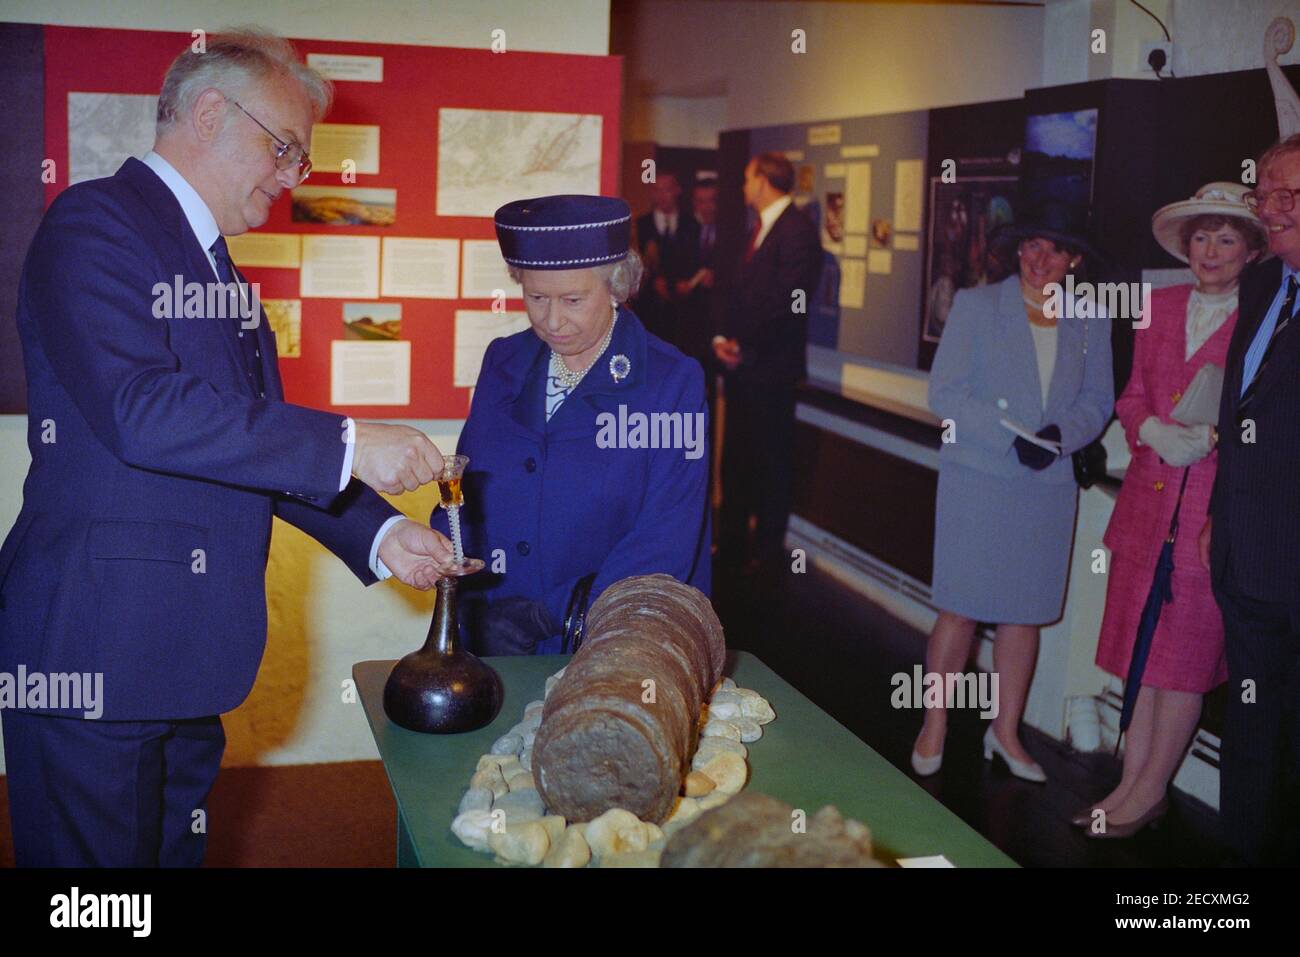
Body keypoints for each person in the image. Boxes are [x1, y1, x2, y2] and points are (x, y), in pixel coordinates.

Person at [0, 30, 456, 867]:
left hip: (186, 655)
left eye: (300, 162)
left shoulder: (227, 281)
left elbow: (258, 454)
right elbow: (142, 409)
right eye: (284, 149)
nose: (291, 178)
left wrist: (385, 536)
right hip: (98, 649)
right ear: (209, 113)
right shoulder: (94, 223)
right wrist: (353, 442)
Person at [433, 194, 710, 655]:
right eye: (536, 297)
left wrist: (548, 615)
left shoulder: (670, 380)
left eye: (573, 300)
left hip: (605, 638)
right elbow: (469, 489)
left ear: (617, 285)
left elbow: (666, 537)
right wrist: (461, 582)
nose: (552, 320)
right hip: (493, 634)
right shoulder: (504, 361)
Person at [1085, 184, 1264, 839]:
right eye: (1201, 238)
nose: (1210, 251)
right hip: (1144, 508)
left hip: (1208, 519)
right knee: (1143, 654)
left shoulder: (1262, 318)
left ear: (1249, 250)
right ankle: (1129, 785)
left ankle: (1148, 791)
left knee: (1184, 661)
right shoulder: (1155, 307)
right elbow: (1129, 396)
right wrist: (1150, 429)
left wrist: (1216, 437)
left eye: (1226, 239)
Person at [914, 210, 1114, 782]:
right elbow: (944, 392)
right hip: (979, 475)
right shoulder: (977, 306)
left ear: (1074, 261)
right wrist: (1009, 437)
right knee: (959, 608)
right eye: (1031, 246)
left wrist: (1057, 439)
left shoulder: (1090, 319)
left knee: (1024, 615)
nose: (1039, 259)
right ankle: (934, 723)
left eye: (1055, 250)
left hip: (1045, 485)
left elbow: (1098, 401)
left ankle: (1004, 732)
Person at [1200, 133, 1300, 865]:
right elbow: (1240, 418)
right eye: (1267, 193)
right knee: (1250, 734)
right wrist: (1214, 516)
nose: (1276, 208)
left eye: (1293, 194)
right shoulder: (1264, 283)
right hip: (1246, 563)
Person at [713, 152, 822, 574]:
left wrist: (746, 345)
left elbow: (789, 302)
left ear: (762, 181)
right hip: (744, 369)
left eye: (746, 177)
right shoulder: (758, 230)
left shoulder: (797, 233)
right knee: (736, 460)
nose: (743, 187)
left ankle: (767, 554)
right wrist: (724, 339)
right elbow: (741, 294)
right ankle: (733, 546)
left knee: (772, 462)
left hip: (772, 371)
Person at [633, 169, 685, 344]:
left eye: (667, 190)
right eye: (656, 190)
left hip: (682, 307)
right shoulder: (640, 224)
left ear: (677, 191)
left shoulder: (691, 224)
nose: (662, 196)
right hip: (648, 307)